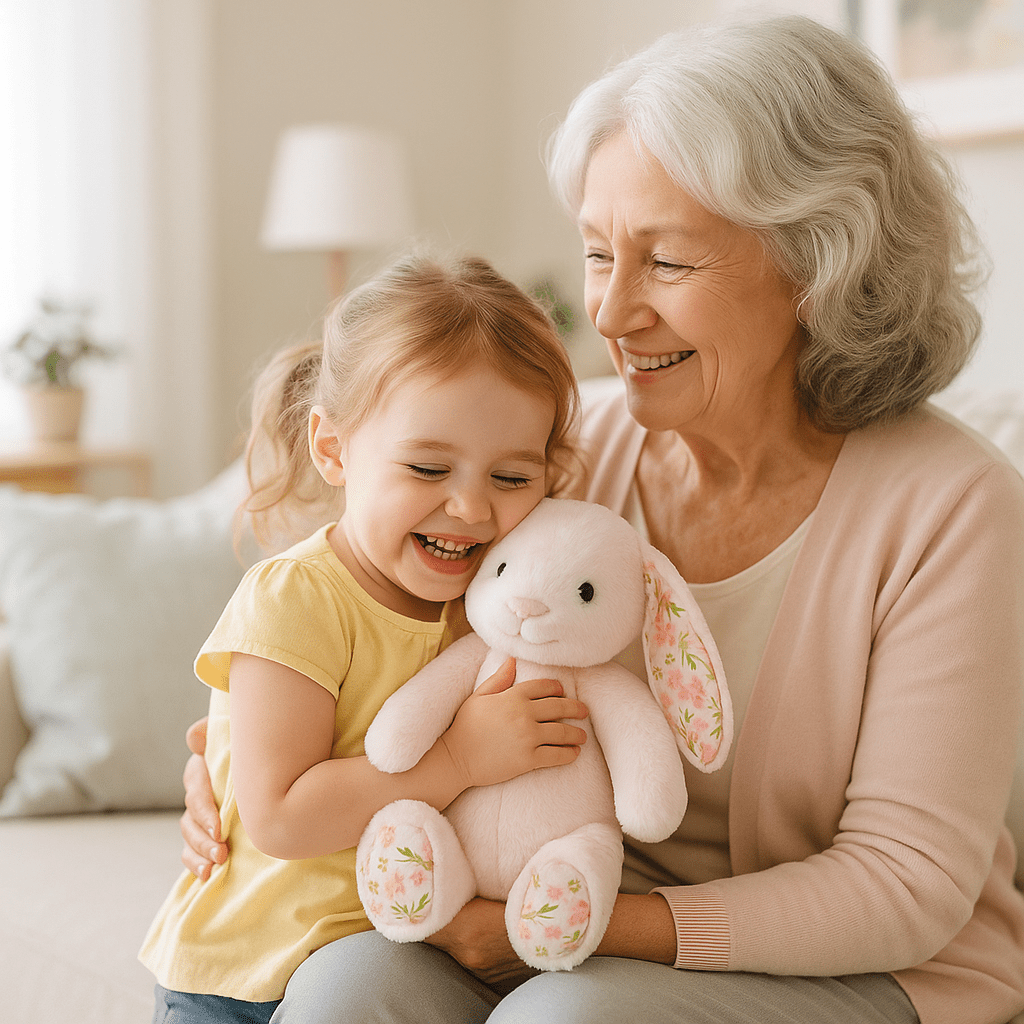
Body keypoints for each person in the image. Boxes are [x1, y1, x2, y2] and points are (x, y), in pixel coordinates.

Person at [177, 15, 1024, 1024]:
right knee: (343, 992)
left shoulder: (953, 509)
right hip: (543, 904)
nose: (612, 312)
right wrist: (238, 758)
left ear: (816, 264)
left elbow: (903, 888)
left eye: (664, 263)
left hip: (853, 967)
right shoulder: (559, 452)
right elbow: (396, 628)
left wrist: (587, 921)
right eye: (594, 254)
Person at [139, 251, 592, 1023]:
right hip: (242, 979)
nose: (472, 511)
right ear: (332, 448)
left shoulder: (501, 603)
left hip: (395, 964)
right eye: (426, 467)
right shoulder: (299, 598)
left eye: (511, 479)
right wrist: (458, 758)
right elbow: (281, 814)